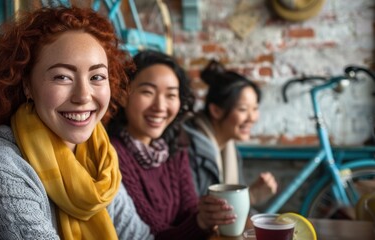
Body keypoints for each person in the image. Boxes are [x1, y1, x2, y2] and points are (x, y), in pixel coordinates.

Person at [0, 7, 153, 240]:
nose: (83, 96)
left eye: (97, 77)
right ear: (27, 85)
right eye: (62, 77)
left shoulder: (98, 157)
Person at [107, 50, 236, 240]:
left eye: (171, 95)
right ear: (123, 95)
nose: (160, 106)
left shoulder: (173, 146)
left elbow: (189, 210)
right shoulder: (112, 155)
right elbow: (152, 235)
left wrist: (207, 214)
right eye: (148, 92)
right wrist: (200, 223)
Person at [182, 60, 278, 206]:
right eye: (243, 109)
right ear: (216, 111)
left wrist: (250, 197)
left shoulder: (230, 149)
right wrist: (250, 197)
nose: (252, 118)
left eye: (255, 108)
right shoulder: (188, 148)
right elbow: (194, 213)